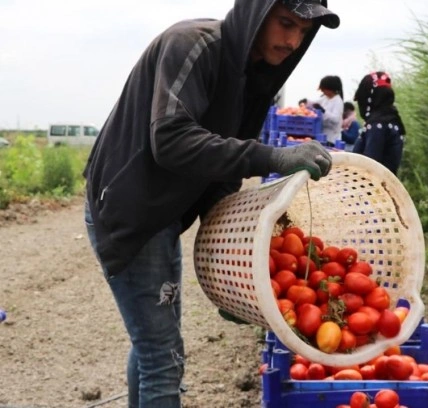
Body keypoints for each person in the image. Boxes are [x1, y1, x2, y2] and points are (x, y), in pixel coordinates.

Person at [82, 1, 339, 407]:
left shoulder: (254, 77)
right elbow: (170, 139)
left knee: (154, 340)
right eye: (286, 23)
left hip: (162, 212)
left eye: (303, 32)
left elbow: (221, 172)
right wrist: (270, 156)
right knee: (163, 358)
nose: (292, 40)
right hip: (131, 208)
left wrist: (232, 275)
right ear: (258, 12)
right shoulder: (193, 45)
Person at [353, 71, 406, 175]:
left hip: (373, 188)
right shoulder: (393, 120)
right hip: (385, 186)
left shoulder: (377, 125)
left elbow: (370, 166)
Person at [311, 75, 344, 145]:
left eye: (324, 89)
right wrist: (306, 102)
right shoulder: (324, 99)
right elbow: (314, 103)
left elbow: (336, 119)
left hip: (332, 139)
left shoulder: (338, 101)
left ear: (330, 89)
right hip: (321, 137)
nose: (322, 91)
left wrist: (323, 111)